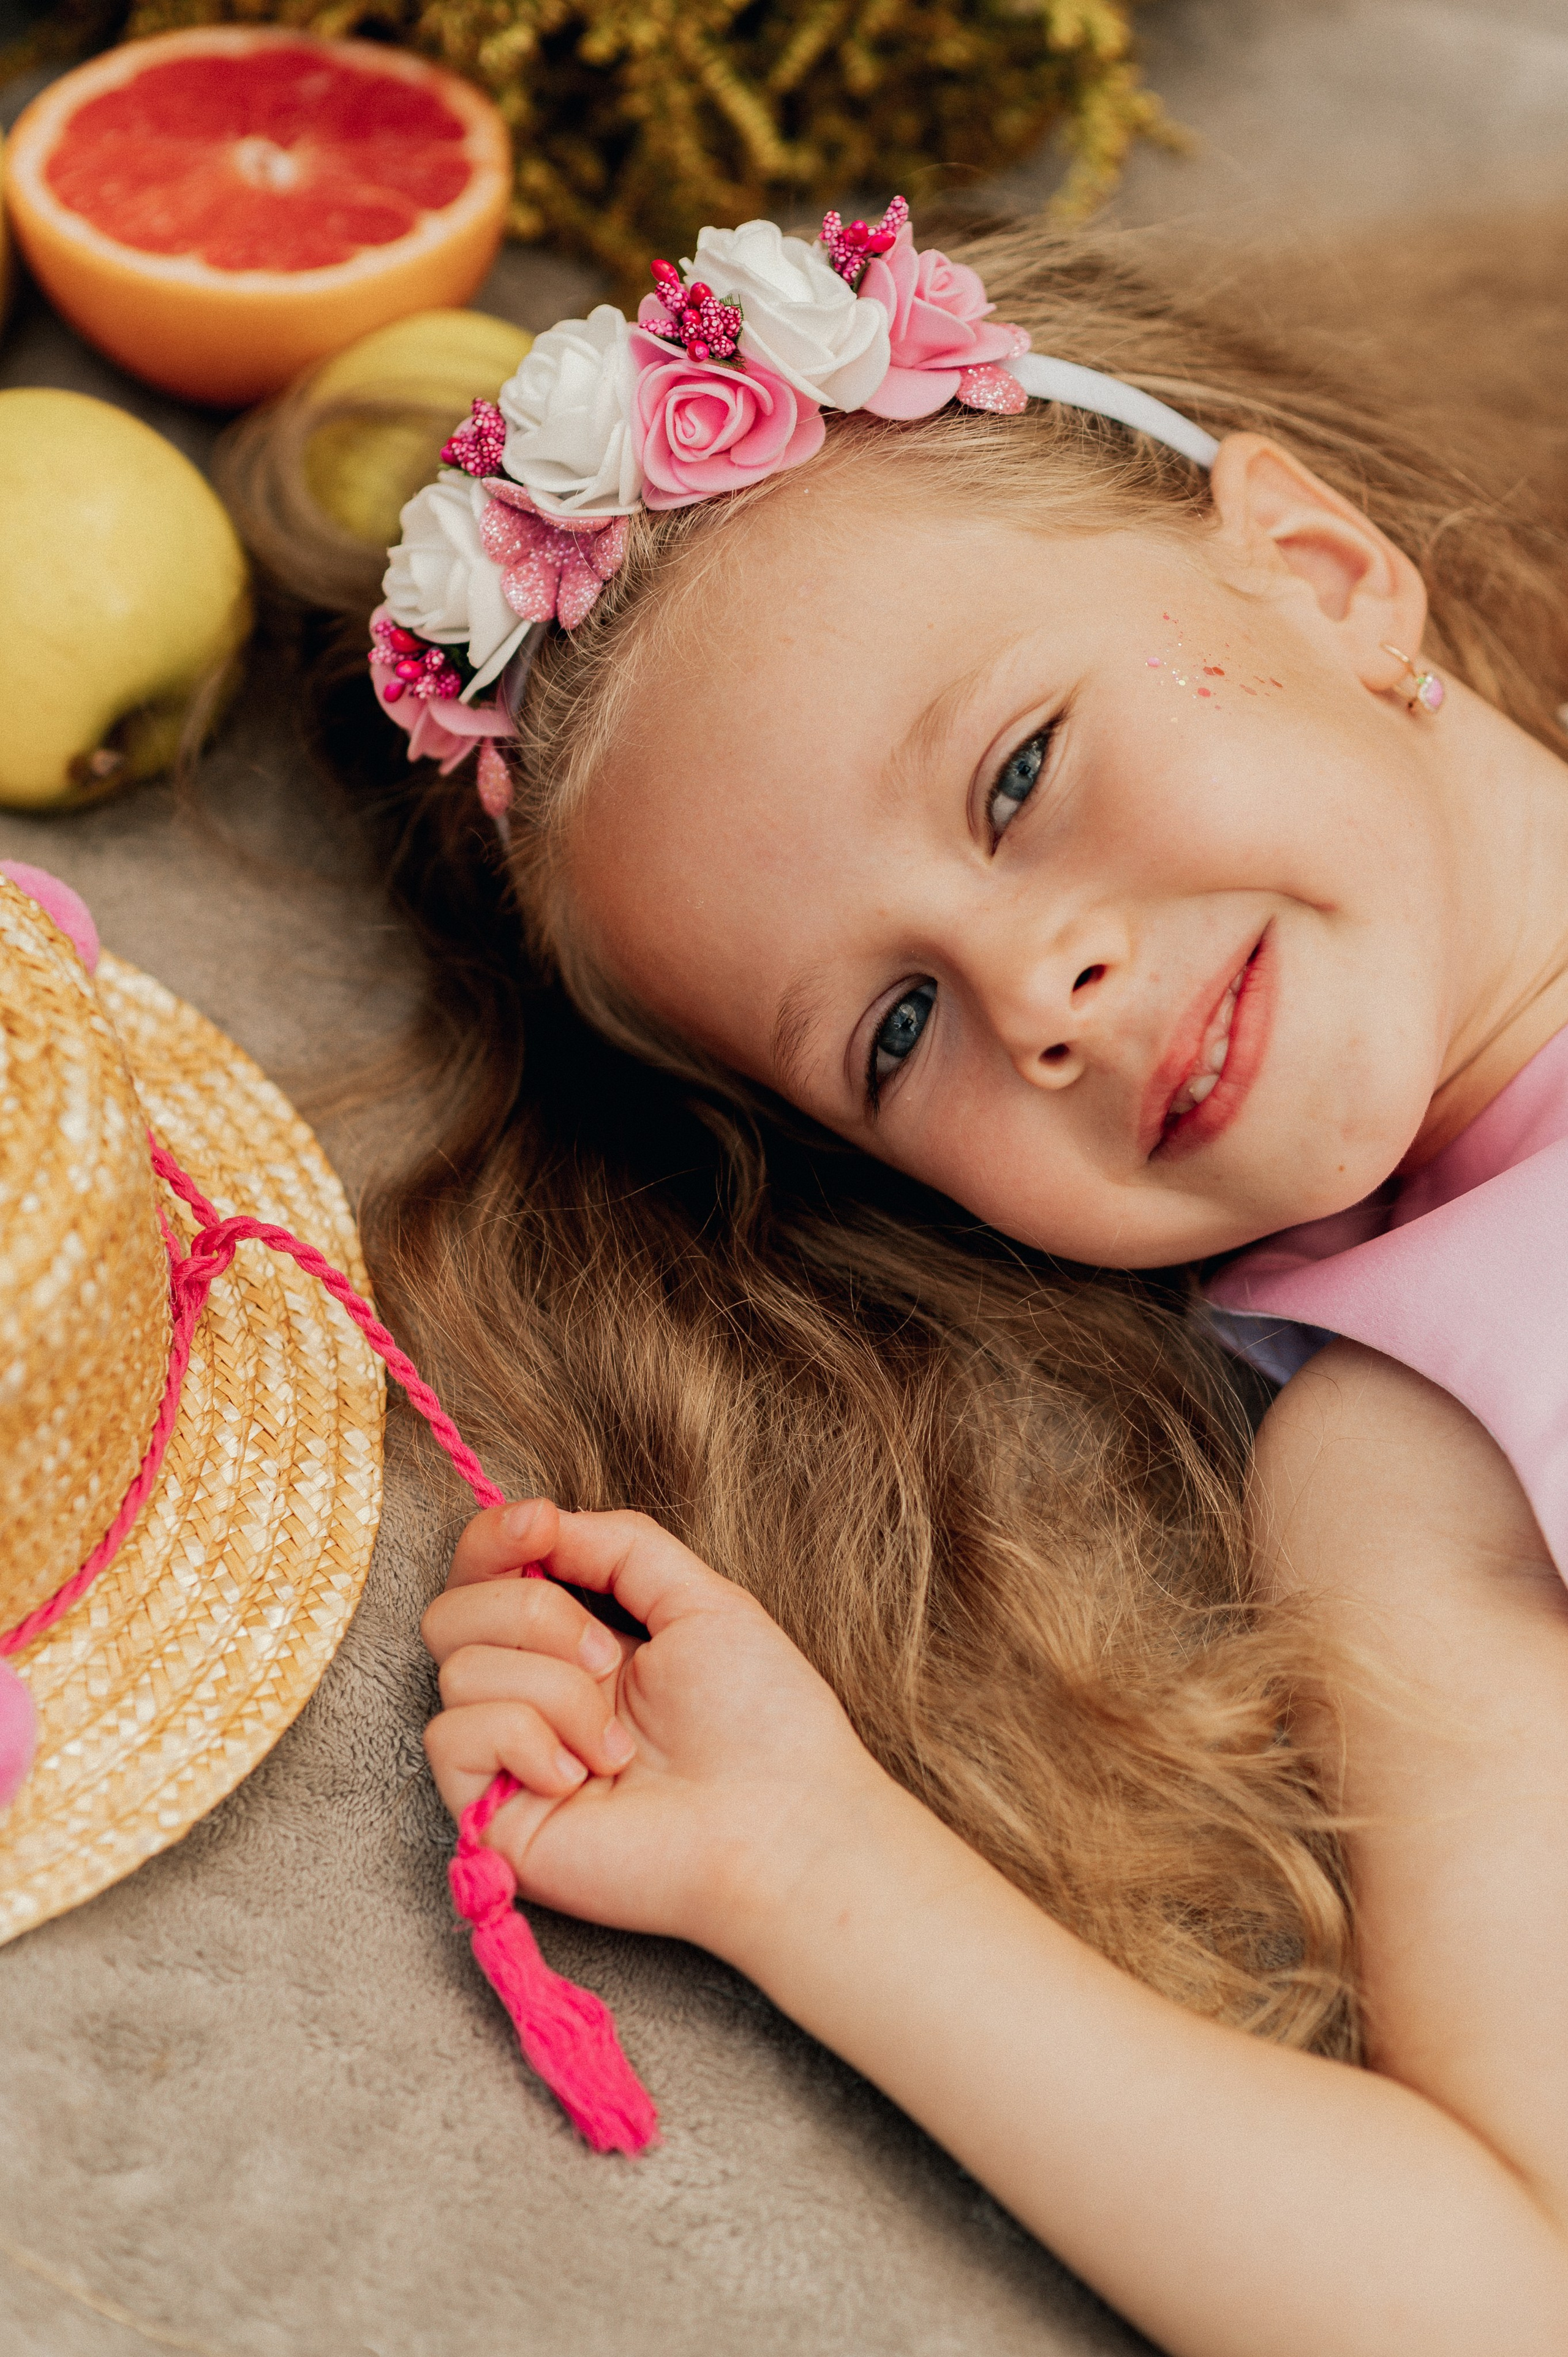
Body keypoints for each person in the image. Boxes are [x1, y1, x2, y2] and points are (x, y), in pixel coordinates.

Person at [251, 205, 1568, 2350]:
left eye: (1019, 776)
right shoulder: (1417, 1451)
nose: (1036, 990)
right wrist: (817, 1876)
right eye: (893, 1033)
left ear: (1319, 577)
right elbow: (1512, 2287)